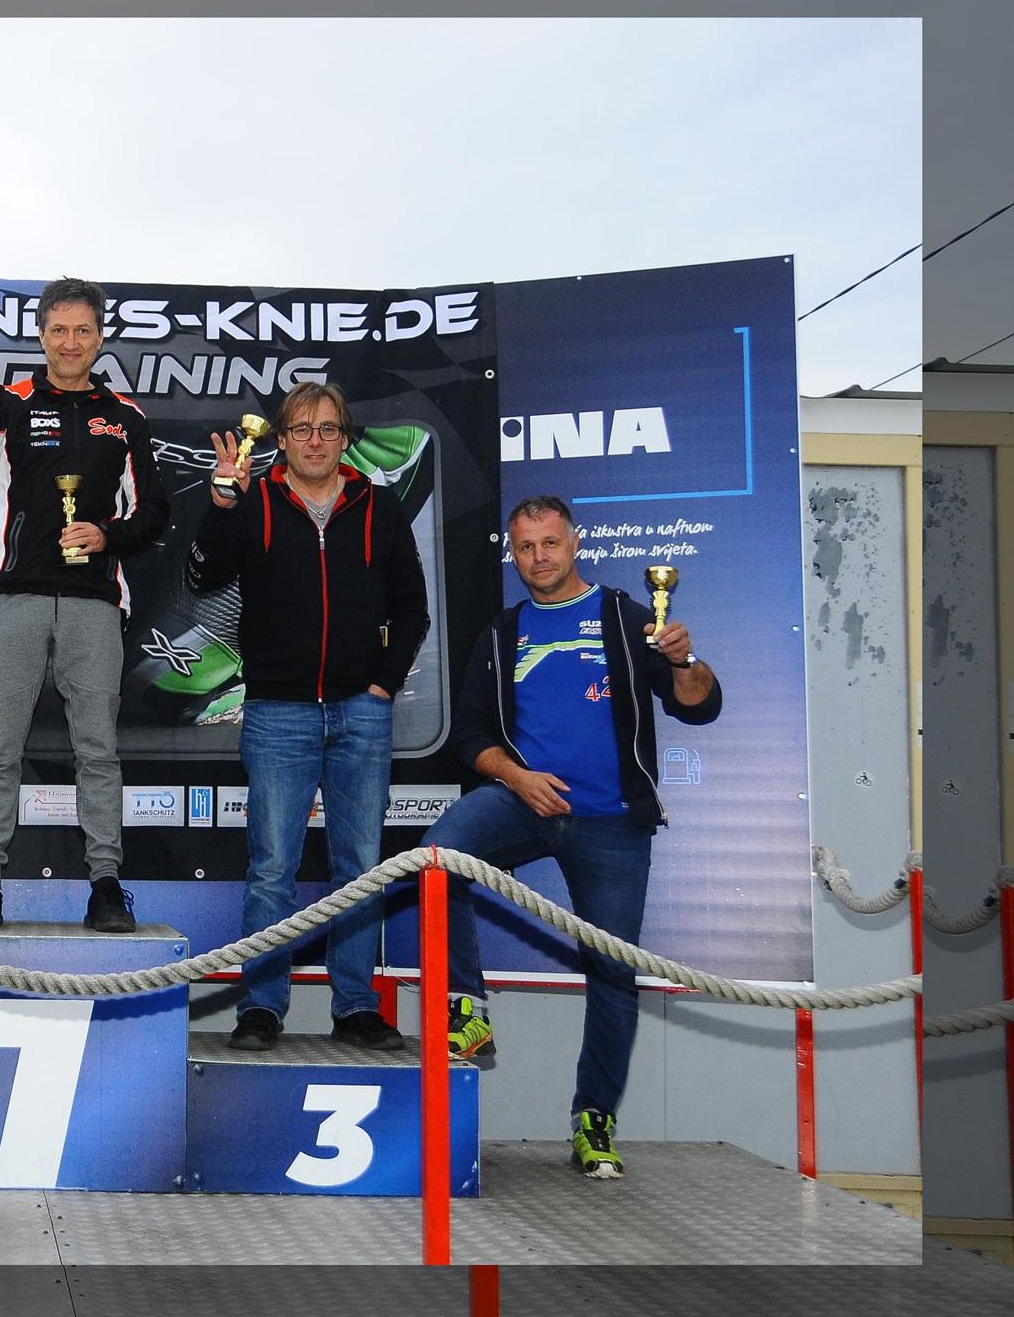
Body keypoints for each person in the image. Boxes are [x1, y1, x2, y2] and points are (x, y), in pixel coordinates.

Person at [424, 494, 721, 1179]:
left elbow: (700, 705)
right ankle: (466, 1009)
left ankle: (595, 1121)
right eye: (525, 547)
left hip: (613, 822)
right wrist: (517, 777)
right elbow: (468, 734)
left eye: (549, 544)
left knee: (613, 973)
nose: (538, 558)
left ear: (575, 543)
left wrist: (685, 661)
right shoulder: (502, 633)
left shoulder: (627, 616)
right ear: (513, 553)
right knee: (437, 858)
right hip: (525, 804)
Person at [187, 382, 430, 1054]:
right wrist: (221, 505)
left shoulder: (379, 505)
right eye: (301, 429)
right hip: (277, 713)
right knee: (273, 871)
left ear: (345, 438)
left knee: (360, 868)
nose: (315, 441)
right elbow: (204, 577)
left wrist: (382, 685)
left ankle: (356, 1006)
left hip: (362, 713)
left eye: (328, 429)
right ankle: (261, 1007)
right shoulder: (253, 501)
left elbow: (412, 608)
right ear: (282, 440)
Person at [0, 278, 168, 932]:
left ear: (100, 337)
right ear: (41, 336)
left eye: (83, 330)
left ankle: (106, 886)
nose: (70, 342)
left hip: (95, 603)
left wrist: (107, 535)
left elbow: (154, 511)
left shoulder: (125, 416)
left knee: (98, 749)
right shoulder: (9, 401)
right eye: (59, 330)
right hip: (11, 596)